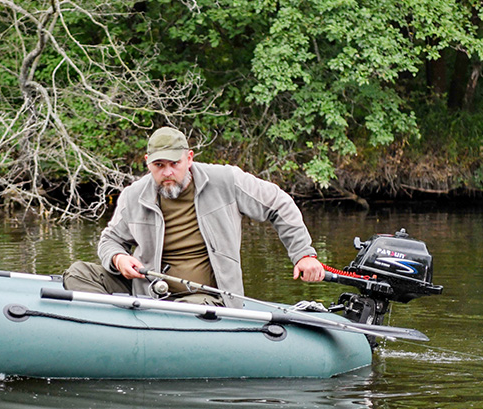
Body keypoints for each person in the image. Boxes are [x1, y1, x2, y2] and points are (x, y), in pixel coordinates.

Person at [64, 126, 325, 307]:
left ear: (189, 158)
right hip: (148, 293)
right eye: (159, 165)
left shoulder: (225, 180)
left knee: (187, 308)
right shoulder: (134, 195)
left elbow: (279, 204)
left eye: (174, 164)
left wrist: (303, 254)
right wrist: (118, 258)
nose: (167, 172)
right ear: (147, 163)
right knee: (77, 273)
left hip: (208, 299)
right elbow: (109, 240)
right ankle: (119, 330)